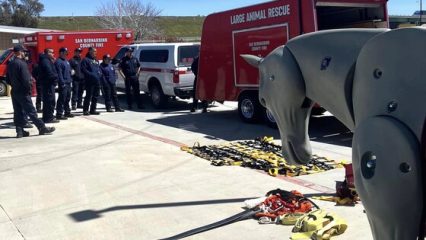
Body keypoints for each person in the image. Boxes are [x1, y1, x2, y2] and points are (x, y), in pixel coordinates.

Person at [6, 45, 55, 138]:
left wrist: (15, 86)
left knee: (18, 112)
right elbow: (26, 79)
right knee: (31, 111)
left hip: (15, 91)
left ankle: (20, 132)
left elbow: (8, 79)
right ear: (20, 52)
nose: (25, 53)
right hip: (23, 92)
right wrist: (29, 88)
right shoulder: (22, 64)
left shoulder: (11, 63)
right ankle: (42, 127)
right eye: (23, 52)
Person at [39, 48, 59, 123]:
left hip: (48, 83)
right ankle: (49, 118)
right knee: (50, 101)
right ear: (47, 53)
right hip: (48, 84)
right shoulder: (45, 61)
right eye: (52, 52)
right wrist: (56, 77)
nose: (53, 54)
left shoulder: (47, 60)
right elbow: (49, 72)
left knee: (48, 101)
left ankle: (46, 117)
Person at [81, 47, 102, 115]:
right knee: (88, 96)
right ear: (90, 51)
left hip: (97, 81)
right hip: (90, 81)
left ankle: (93, 109)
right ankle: (85, 110)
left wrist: (100, 74)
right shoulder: (85, 60)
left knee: (96, 96)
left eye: (96, 51)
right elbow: (84, 70)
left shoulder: (96, 60)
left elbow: (98, 69)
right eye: (94, 51)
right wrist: (92, 75)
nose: (95, 52)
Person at [55, 47, 74, 119]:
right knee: (62, 98)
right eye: (64, 52)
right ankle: (59, 114)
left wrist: (72, 72)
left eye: (66, 52)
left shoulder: (66, 61)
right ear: (61, 53)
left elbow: (69, 70)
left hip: (68, 82)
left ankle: (67, 112)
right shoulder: (58, 62)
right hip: (63, 83)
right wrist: (62, 82)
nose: (66, 54)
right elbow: (59, 73)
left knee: (68, 98)